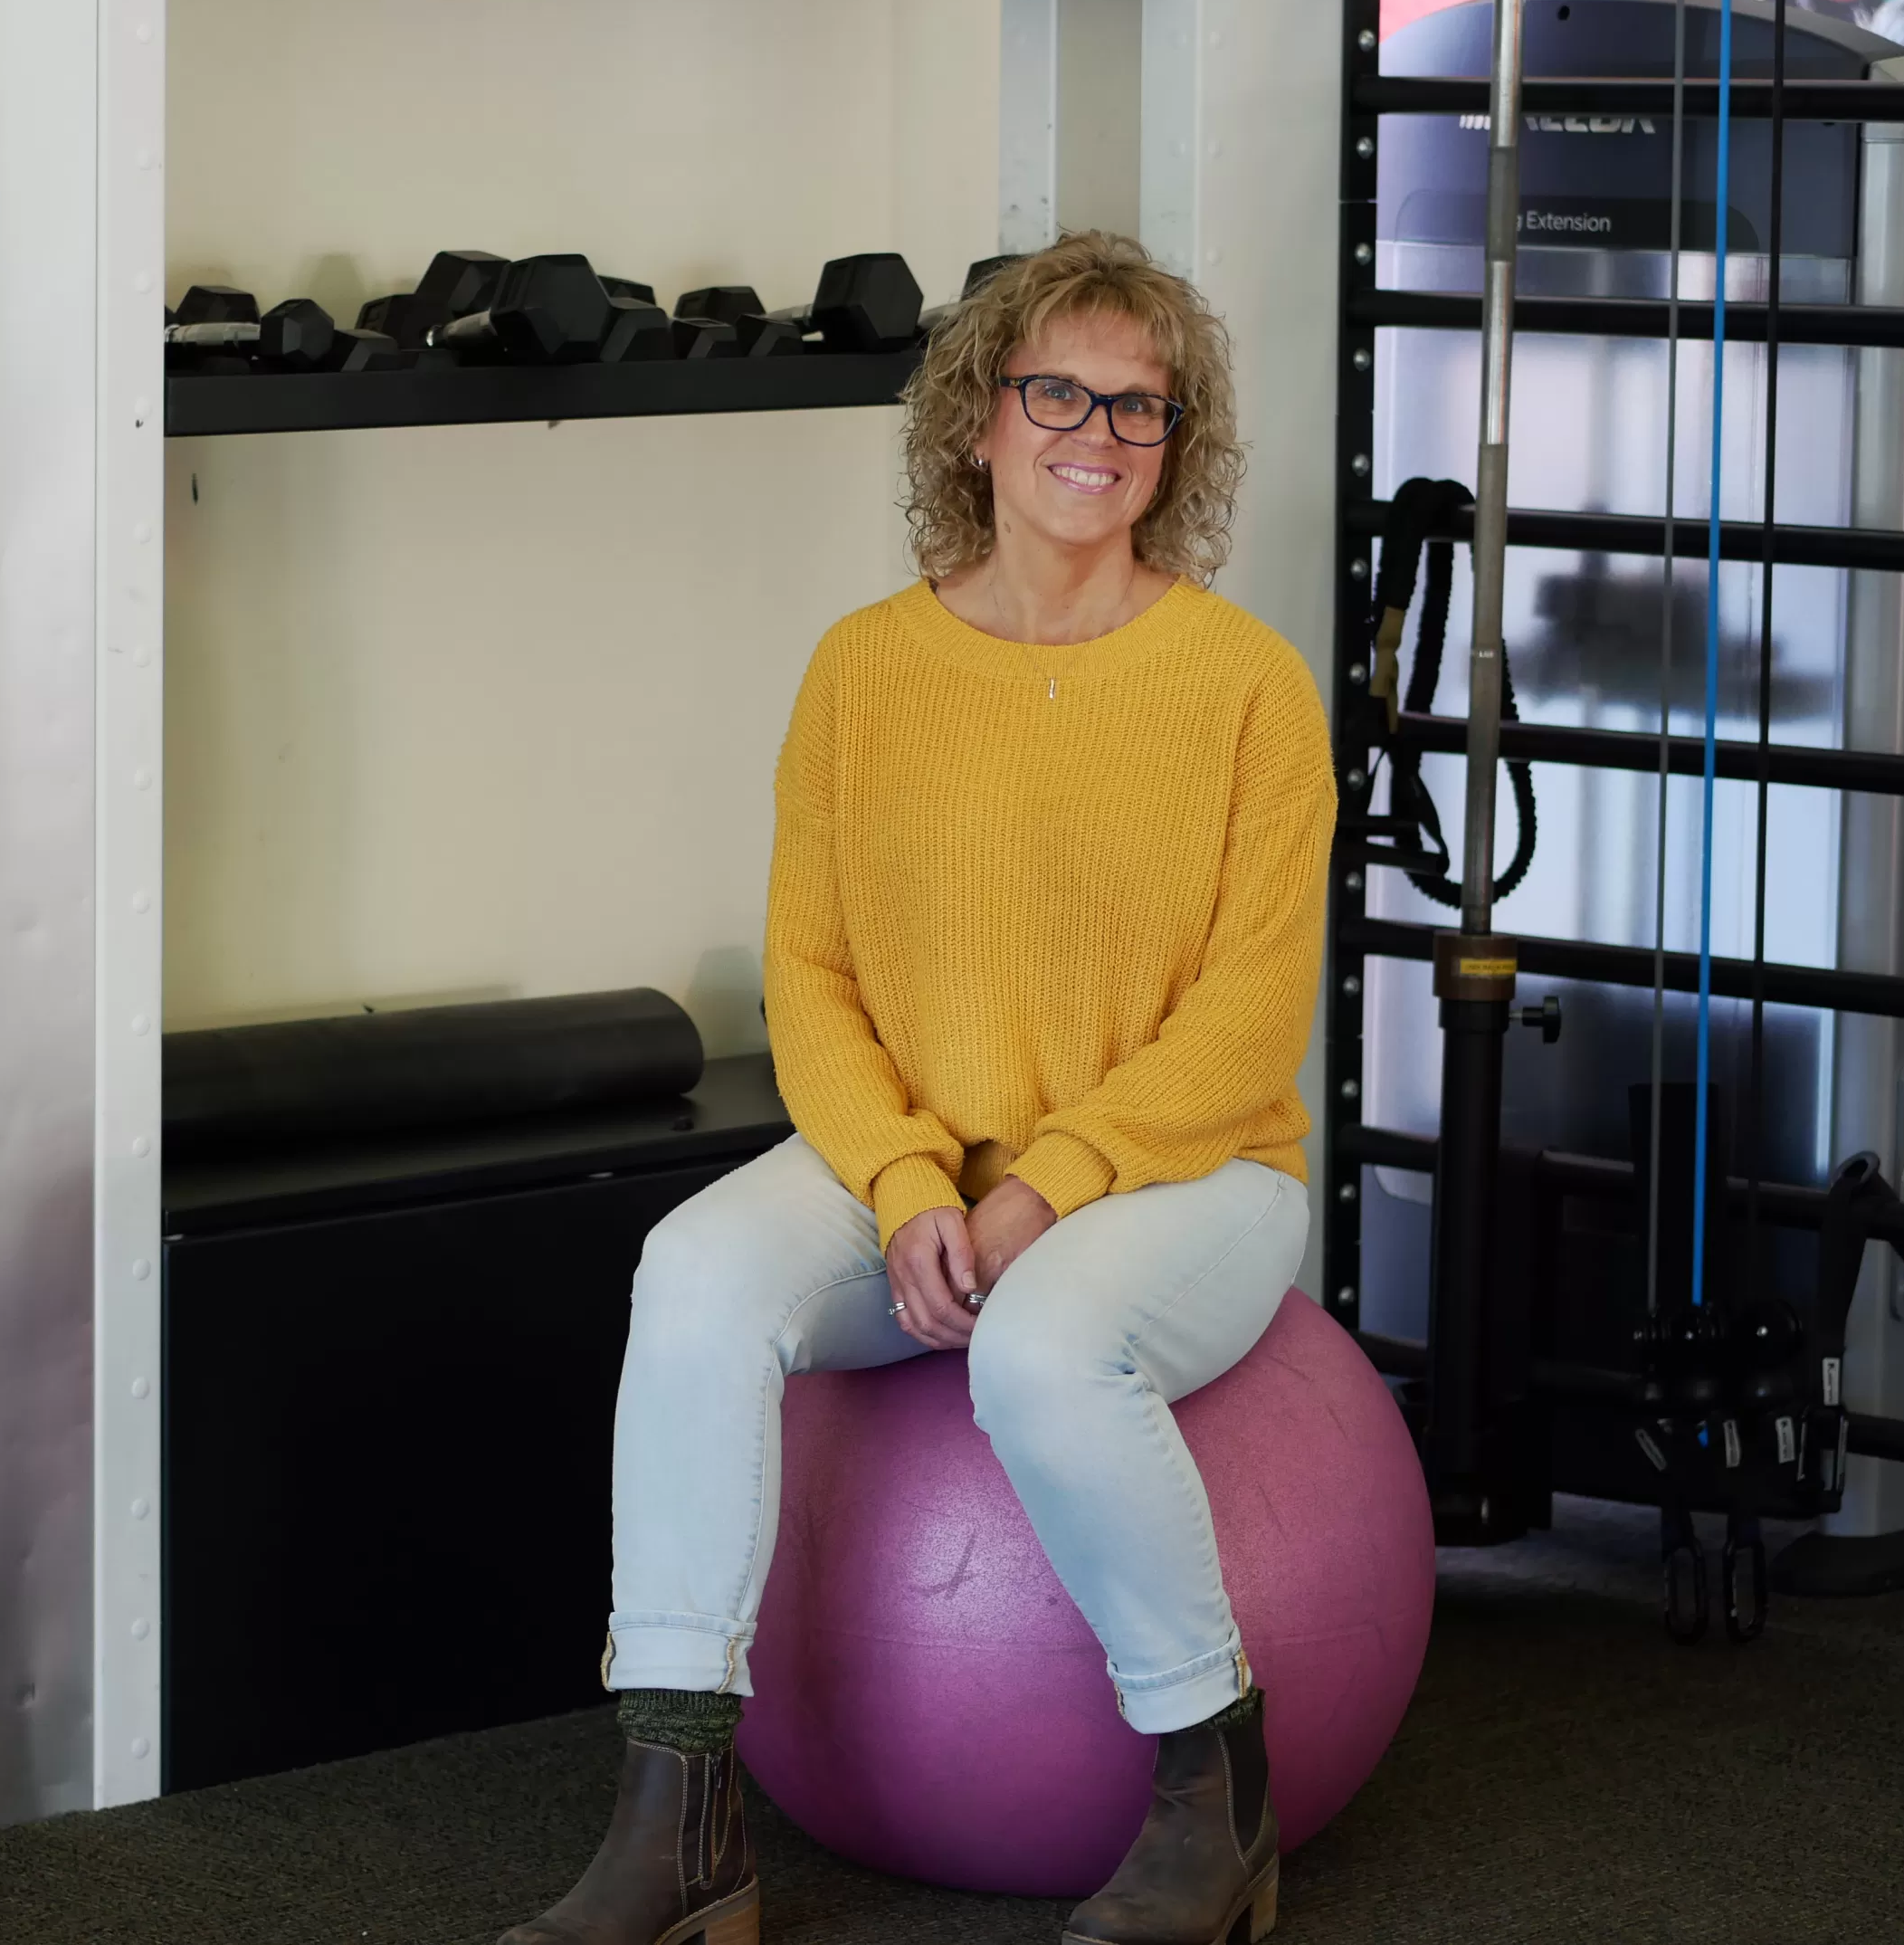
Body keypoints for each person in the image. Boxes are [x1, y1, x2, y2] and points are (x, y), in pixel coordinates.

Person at [498, 231, 1337, 1945]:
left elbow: (1249, 1022)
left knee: (1044, 1345)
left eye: (1139, 406)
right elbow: (806, 972)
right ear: (977, 419)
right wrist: (900, 1182)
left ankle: (1217, 1797)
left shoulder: (1249, 684)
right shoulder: (864, 668)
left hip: (1186, 1179)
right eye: (1057, 392)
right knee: (697, 1273)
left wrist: (1043, 1189)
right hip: (921, 1163)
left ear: (1176, 445)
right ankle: (682, 1826)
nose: (1096, 432)